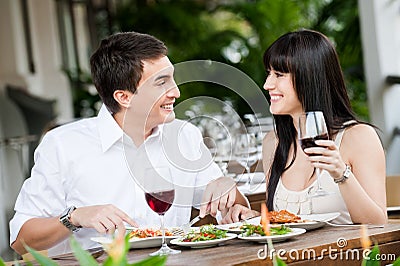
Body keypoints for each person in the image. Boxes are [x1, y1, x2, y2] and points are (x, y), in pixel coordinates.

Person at [10, 31, 249, 256]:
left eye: (172, 79)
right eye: (161, 83)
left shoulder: (185, 136)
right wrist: (73, 217)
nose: (175, 92)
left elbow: (230, 206)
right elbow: (21, 240)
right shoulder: (63, 145)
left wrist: (229, 193)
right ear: (124, 97)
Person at [221, 29, 387, 225]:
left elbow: (378, 223)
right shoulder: (273, 143)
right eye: (269, 73)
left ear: (309, 77)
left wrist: (341, 174)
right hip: (289, 256)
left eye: (279, 74)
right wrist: (254, 217)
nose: (267, 84)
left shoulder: (358, 137)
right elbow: (288, 224)